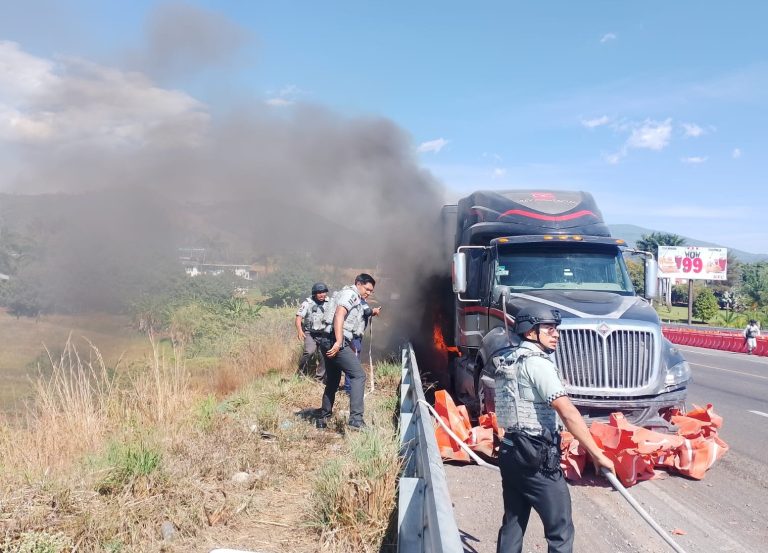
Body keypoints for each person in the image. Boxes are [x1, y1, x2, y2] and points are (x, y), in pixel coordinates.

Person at [494, 305, 615, 553]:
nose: (556, 334)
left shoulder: (509, 359)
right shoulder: (538, 364)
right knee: (560, 531)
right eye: (549, 329)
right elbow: (568, 412)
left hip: (510, 450)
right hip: (535, 457)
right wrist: (597, 454)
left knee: (513, 524)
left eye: (556, 329)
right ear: (530, 332)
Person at [316, 273, 376, 430]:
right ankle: (356, 420)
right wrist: (338, 341)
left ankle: (323, 417)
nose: (368, 293)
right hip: (334, 341)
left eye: (371, 291)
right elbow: (339, 315)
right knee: (359, 375)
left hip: (328, 340)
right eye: (367, 289)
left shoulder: (350, 295)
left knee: (333, 381)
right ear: (358, 283)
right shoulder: (351, 294)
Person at [295, 282, 330, 380]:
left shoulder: (330, 302)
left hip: (324, 333)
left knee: (324, 355)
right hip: (310, 333)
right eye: (319, 292)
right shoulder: (307, 303)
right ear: (314, 293)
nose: (322, 295)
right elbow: (298, 318)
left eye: (324, 292)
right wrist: (299, 331)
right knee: (309, 352)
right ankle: (301, 372)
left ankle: (320, 378)